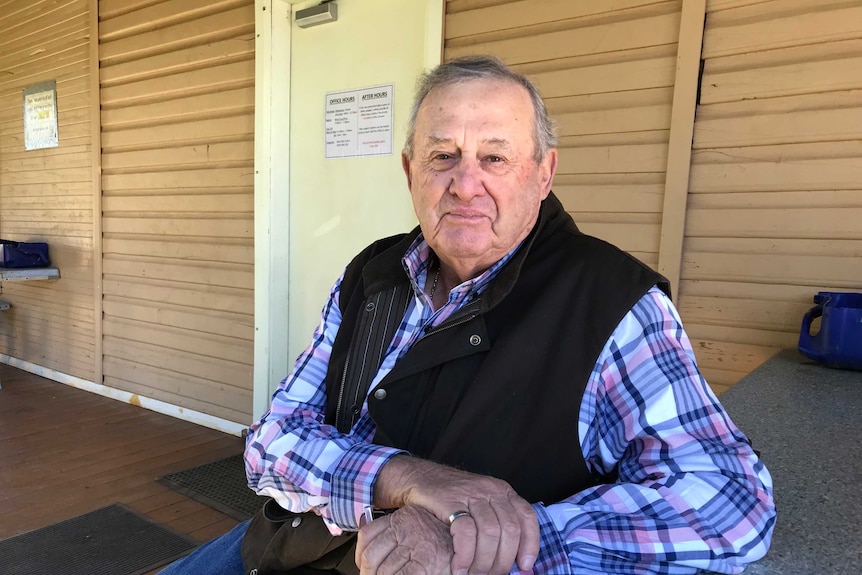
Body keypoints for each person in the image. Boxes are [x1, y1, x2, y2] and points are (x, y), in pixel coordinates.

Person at [161, 55, 775, 575]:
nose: (465, 184)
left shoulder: (612, 304)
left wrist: (482, 542)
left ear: (544, 173)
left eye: (496, 159)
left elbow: (728, 503)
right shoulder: (373, 275)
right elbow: (271, 442)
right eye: (442, 156)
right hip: (291, 543)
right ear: (410, 171)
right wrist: (406, 479)